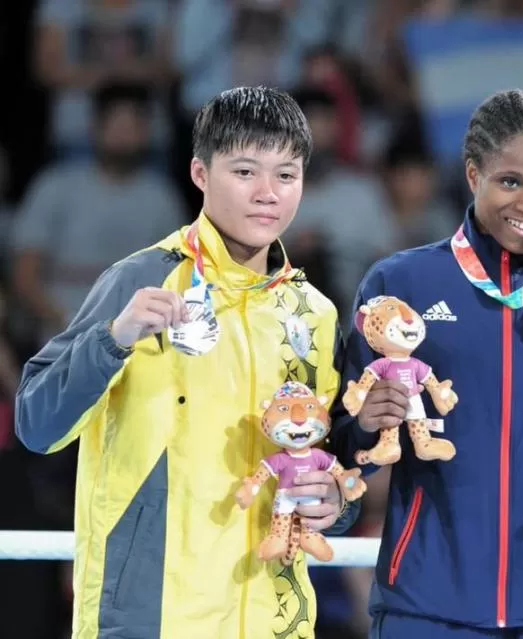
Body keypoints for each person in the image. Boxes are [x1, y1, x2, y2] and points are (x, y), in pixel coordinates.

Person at [14, 86, 360, 639]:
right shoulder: (141, 280)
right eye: (245, 172)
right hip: (153, 617)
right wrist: (114, 338)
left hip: (276, 618)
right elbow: (36, 424)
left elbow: (325, 463)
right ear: (200, 173)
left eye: (286, 175)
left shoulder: (313, 312)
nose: (268, 193)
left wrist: (336, 499)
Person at [328, 89, 523, 638]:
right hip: (426, 602)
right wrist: (367, 426)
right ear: (473, 176)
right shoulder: (400, 282)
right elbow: (349, 451)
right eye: (510, 181)